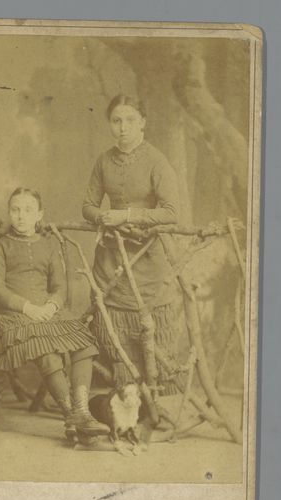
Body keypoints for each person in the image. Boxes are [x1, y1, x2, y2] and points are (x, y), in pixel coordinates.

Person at [0, 187, 109, 438]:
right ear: (9, 213)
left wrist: (51, 306)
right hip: (14, 315)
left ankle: (82, 412)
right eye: (15, 210)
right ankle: (71, 415)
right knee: (46, 351)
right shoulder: (0, 247)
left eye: (28, 210)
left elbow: (59, 287)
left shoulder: (48, 246)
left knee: (85, 345)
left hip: (48, 312)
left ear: (39, 215)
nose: (21, 216)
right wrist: (29, 308)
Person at [82, 94, 179, 392]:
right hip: (111, 259)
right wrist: (103, 217)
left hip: (147, 259)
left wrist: (126, 215)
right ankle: (124, 392)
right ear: (110, 124)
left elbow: (171, 212)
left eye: (130, 120)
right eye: (116, 121)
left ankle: (157, 396)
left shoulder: (156, 160)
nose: (123, 127)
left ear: (143, 123)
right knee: (112, 328)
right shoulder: (103, 160)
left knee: (151, 329)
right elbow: (87, 206)